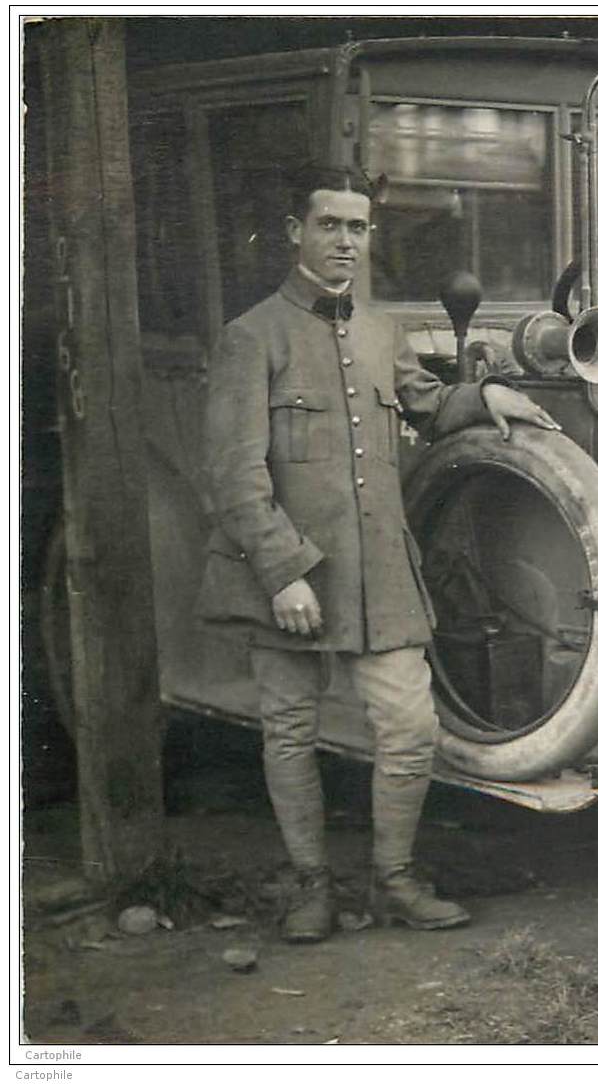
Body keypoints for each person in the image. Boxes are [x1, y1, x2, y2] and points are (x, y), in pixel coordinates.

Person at [198, 164, 555, 943]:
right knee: (290, 730)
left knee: (409, 727)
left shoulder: (376, 327)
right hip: (288, 577)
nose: (346, 243)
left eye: (359, 228)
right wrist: (283, 571)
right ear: (296, 231)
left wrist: (483, 397)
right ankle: (309, 886)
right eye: (330, 225)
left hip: (378, 573)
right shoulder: (251, 336)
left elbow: (424, 405)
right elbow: (233, 473)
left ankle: (394, 879)